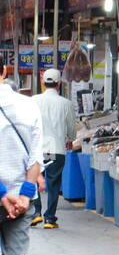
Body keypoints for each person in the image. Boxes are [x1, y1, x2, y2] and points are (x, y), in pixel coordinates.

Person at [0, 78, 45, 255]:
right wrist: (25, 196)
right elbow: (36, 158)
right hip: (21, 200)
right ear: (4, 71)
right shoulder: (28, 106)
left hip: (8, 196)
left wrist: (3, 194)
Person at [32, 68, 78, 229]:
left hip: (37, 150)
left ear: (43, 83)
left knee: (34, 180)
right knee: (53, 183)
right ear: (59, 84)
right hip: (55, 150)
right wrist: (71, 139)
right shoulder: (66, 104)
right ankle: (49, 219)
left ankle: (35, 213)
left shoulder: (33, 100)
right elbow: (71, 127)